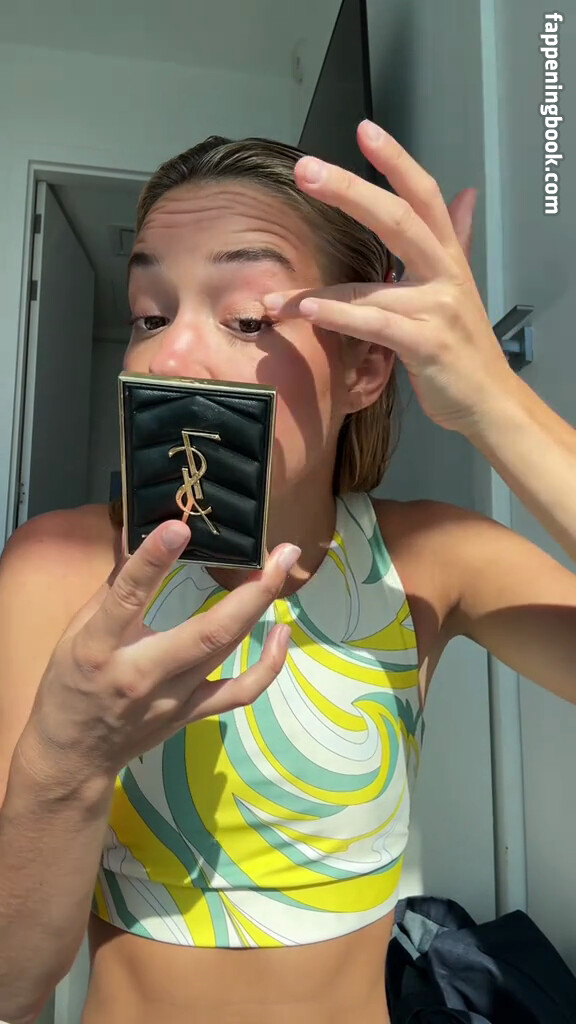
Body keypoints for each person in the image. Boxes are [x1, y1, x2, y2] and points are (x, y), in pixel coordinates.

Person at [0, 119, 575, 1024]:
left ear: (365, 368)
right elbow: (11, 987)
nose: (166, 356)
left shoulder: (432, 560)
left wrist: (493, 401)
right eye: (149, 314)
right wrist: (66, 762)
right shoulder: (60, 570)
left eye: (245, 318)